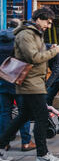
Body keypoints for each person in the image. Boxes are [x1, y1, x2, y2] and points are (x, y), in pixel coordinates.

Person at [0, 8, 59, 161]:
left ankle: (1, 147)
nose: (49, 26)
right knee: (42, 118)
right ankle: (42, 155)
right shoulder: (26, 34)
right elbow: (34, 57)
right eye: (47, 22)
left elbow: (35, 55)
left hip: (35, 82)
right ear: (38, 19)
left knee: (22, 117)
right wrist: (54, 51)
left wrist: (48, 49)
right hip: (30, 83)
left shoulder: (35, 33)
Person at [0, 19, 35, 152]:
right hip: (18, 81)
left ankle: (5, 142)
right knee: (23, 112)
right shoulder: (20, 40)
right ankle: (26, 142)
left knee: (4, 113)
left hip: (2, 81)